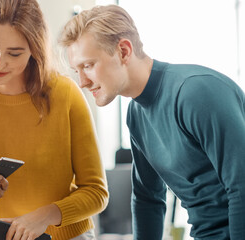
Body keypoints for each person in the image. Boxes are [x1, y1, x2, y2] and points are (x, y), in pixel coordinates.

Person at [59, 4, 245, 240]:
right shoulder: (136, 114)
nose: (83, 82)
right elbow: (147, 198)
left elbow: (242, 186)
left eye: (88, 65)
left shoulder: (195, 92)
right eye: (77, 70)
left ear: (124, 51)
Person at [0, 0, 109, 239]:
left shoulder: (65, 93)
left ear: (34, 49)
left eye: (14, 53)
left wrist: (43, 217)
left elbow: (97, 193)